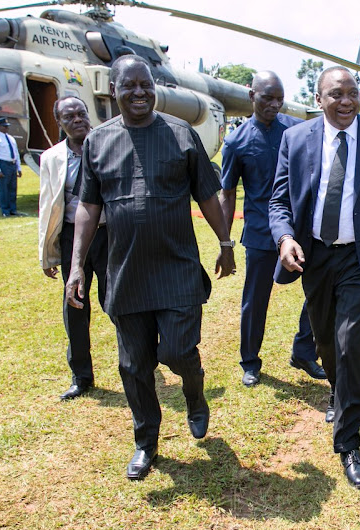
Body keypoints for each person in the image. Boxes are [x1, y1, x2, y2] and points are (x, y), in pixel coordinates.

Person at [65, 55, 235, 480]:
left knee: (177, 351)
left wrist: (226, 241)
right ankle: (146, 442)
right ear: (113, 91)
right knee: (133, 365)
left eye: (145, 85)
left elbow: (208, 195)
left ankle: (194, 394)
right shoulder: (98, 142)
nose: (139, 93)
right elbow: (87, 207)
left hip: (176, 266)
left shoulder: (181, 134)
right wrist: (77, 267)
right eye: (129, 86)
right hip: (125, 272)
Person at [269, 66, 360, 489]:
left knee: (350, 341)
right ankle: (339, 390)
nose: (347, 101)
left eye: (353, 93)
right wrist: (284, 239)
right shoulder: (295, 139)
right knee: (324, 343)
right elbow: (278, 199)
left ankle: (349, 442)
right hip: (314, 256)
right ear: (319, 99)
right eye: (336, 94)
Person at [219, 71, 325, 387]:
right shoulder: (236, 142)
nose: (275, 104)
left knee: (319, 290)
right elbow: (227, 193)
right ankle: (250, 361)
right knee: (255, 300)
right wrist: (225, 244)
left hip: (301, 230)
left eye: (280, 98)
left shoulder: (295, 131)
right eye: (268, 97)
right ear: (251, 96)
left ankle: (304, 351)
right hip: (261, 235)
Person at [39, 96, 108, 400]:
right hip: (72, 240)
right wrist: (49, 252)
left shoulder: (107, 146)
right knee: (75, 306)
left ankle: (136, 362)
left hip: (109, 235)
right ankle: (81, 376)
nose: (78, 119)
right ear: (60, 123)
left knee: (119, 302)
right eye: (69, 116)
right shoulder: (51, 158)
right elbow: (47, 206)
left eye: (81, 113)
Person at [0, 117, 22, 217]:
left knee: (12, 188)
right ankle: (5, 210)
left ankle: (13, 209)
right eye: (4, 126)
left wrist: (18, 167)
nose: (6, 128)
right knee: (3, 189)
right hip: (3, 164)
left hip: (12, 164)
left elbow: (16, 153)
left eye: (7, 126)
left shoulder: (11, 138)